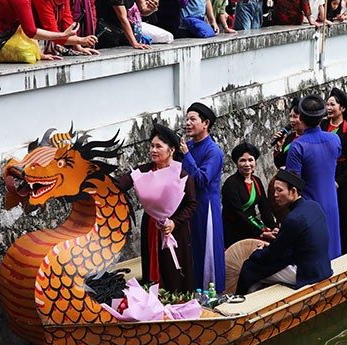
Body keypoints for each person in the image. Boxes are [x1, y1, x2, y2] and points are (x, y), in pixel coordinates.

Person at [114, 124, 197, 293]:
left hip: (175, 230)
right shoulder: (144, 171)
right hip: (151, 226)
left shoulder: (182, 175)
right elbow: (120, 185)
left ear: (172, 150)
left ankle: (176, 302)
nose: (153, 150)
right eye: (152, 145)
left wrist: (174, 222)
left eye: (159, 146)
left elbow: (191, 204)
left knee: (174, 271)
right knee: (152, 265)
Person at [237, 169, 332, 295]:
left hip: (306, 274)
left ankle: (244, 304)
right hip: (323, 267)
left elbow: (274, 254)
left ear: (293, 191)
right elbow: (298, 243)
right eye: (275, 190)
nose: (275, 194)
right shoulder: (314, 206)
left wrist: (256, 254)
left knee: (250, 267)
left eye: (279, 190)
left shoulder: (293, 219)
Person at [285, 94, 343, 260]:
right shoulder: (334, 139)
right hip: (331, 201)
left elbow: (293, 182)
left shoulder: (297, 146)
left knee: (313, 251)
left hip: (310, 204)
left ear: (301, 118)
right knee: (332, 245)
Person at [181, 102, 226, 293]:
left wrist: (186, 155)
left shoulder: (213, 151)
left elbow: (201, 180)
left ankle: (212, 293)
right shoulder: (190, 146)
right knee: (191, 250)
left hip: (206, 206)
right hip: (189, 205)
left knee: (207, 250)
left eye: (193, 119)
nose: (187, 123)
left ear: (205, 123)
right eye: (187, 119)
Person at [324, 87, 347, 252]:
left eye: (332, 104)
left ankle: (346, 247)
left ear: (342, 108)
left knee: (344, 212)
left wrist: (340, 181)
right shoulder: (323, 125)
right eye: (328, 104)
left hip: (342, 174)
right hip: (324, 171)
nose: (329, 108)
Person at [222, 141, 276, 247]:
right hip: (236, 228)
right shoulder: (231, 184)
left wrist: (273, 227)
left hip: (252, 224)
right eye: (243, 160)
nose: (247, 164)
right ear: (237, 163)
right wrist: (261, 233)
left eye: (250, 160)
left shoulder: (256, 181)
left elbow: (265, 208)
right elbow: (237, 213)